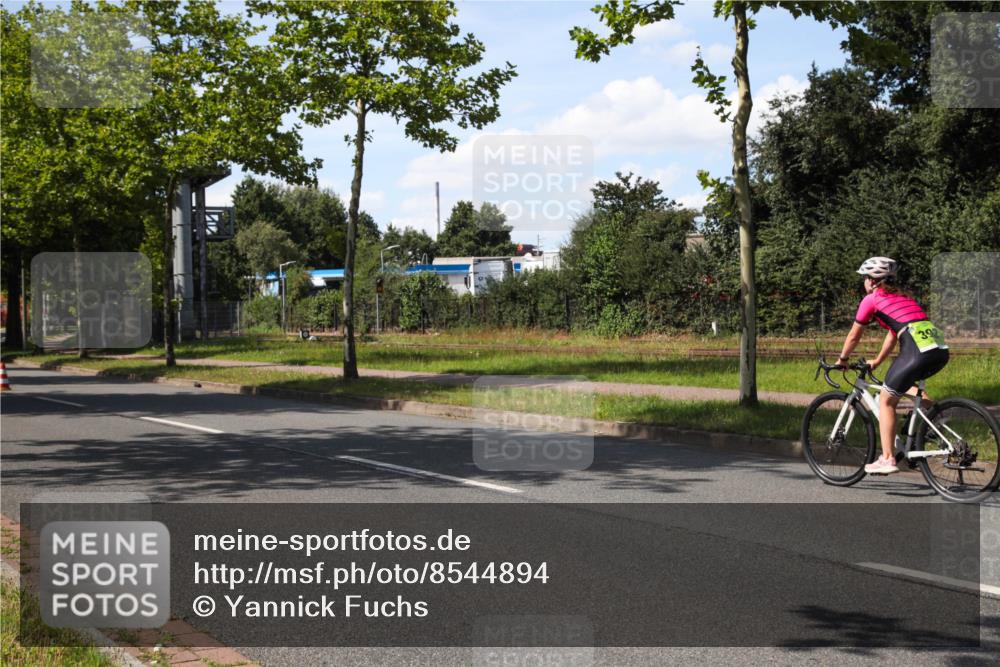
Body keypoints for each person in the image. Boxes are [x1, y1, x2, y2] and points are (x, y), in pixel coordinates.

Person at [835, 257, 950, 474]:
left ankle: (887, 458)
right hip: (939, 350)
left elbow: (854, 335)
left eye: (865, 278)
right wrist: (877, 361)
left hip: (916, 350)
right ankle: (935, 421)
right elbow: (893, 333)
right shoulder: (904, 298)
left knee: (887, 401)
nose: (864, 282)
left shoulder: (871, 299)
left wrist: (842, 360)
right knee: (901, 385)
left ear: (872, 280)